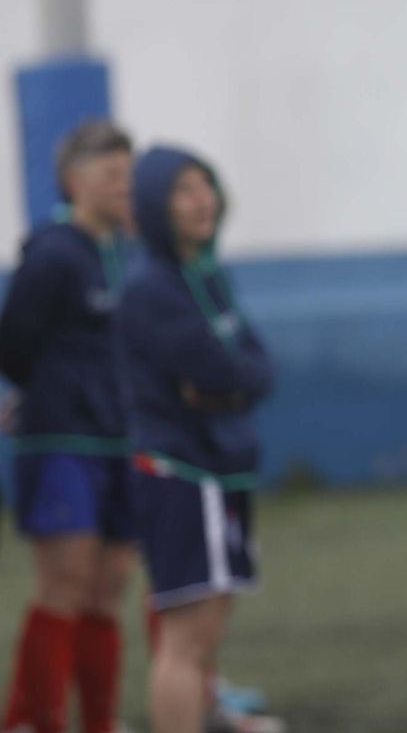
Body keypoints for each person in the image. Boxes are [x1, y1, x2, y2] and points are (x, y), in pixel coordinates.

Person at [115, 147, 273, 733]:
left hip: (219, 465)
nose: (202, 199)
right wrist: (233, 384)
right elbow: (219, 371)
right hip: (180, 471)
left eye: (206, 185)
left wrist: (233, 388)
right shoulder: (150, 288)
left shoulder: (208, 275)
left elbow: (258, 370)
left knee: (207, 634)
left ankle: (209, 717)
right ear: (155, 205)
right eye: (184, 190)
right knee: (184, 639)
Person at [1, 122, 138, 733]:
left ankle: (98, 722)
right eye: (111, 176)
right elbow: (14, 344)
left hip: (119, 439)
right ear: (72, 181)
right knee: (66, 580)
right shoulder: (54, 254)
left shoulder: (126, 255)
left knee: (110, 585)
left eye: (129, 176)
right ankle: (32, 721)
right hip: (63, 440)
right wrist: (47, 398)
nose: (124, 188)